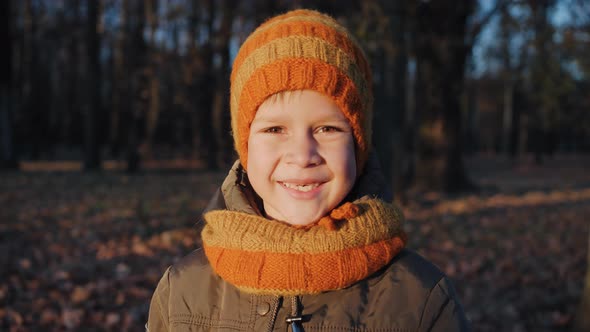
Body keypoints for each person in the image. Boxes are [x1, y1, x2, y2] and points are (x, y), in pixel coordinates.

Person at [147, 9, 470, 332]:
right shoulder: (183, 292)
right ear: (245, 148)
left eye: (327, 129)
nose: (303, 156)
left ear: (359, 146)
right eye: (275, 130)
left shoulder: (420, 299)